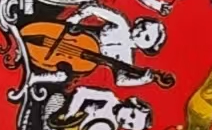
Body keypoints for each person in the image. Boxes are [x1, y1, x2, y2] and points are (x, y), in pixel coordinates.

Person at [21, 7, 170, 88]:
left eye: (146, 38)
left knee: (64, 76)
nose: (141, 33)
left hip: (80, 60)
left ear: (146, 48)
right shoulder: (120, 22)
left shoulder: (126, 58)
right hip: (78, 35)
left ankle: (35, 78)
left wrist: (142, 80)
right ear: (139, 21)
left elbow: (120, 80)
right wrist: (75, 18)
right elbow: (92, 9)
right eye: (143, 27)